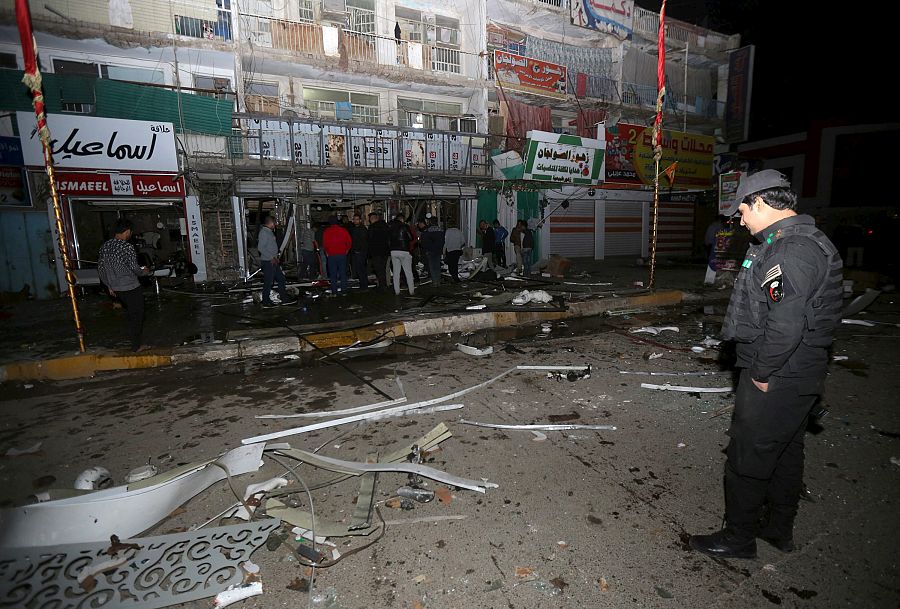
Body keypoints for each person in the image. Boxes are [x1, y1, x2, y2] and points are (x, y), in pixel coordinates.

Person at [689, 170, 843, 559]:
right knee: (786, 450)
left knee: (747, 457)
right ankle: (777, 528)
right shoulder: (789, 242)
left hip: (778, 375)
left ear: (759, 202)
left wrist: (761, 373)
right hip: (796, 374)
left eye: (742, 210)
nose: (740, 219)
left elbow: (786, 324)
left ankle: (738, 538)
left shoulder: (791, 251)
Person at [97, 218, 150, 352]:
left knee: (132, 314)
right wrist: (144, 271)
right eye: (130, 232)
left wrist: (109, 286)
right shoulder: (127, 247)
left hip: (116, 288)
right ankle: (136, 346)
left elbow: (101, 269)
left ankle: (134, 343)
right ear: (127, 231)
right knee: (137, 315)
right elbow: (135, 269)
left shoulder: (105, 246)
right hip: (130, 286)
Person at [257, 215, 296, 308]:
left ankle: (284, 298)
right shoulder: (264, 232)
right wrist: (271, 257)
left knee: (281, 279)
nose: (275, 225)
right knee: (268, 282)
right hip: (268, 262)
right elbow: (260, 248)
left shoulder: (269, 232)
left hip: (273, 261)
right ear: (270, 223)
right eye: (274, 223)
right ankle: (266, 301)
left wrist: (275, 257)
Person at [323, 216, 352, 296]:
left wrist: (327, 252)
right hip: (342, 254)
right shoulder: (343, 230)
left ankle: (334, 292)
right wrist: (347, 250)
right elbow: (349, 241)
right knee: (343, 273)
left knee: (333, 274)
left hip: (331, 255)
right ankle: (344, 291)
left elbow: (325, 244)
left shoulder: (327, 231)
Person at [388, 214, 415, 296]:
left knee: (396, 273)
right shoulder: (404, 226)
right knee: (408, 272)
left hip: (393, 251)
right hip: (404, 251)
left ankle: (397, 291)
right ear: (402, 219)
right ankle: (411, 291)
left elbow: (388, 240)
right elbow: (411, 238)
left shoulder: (390, 227)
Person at [367, 212, 391, 290]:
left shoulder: (372, 227)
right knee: (383, 269)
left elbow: (369, 240)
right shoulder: (385, 226)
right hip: (385, 251)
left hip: (376, 252)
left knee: (379, 269)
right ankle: (384, 284)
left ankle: (382, 285)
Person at [420, 217, 445, 286]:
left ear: (430, 222)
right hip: (438, 250)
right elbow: (443, 241)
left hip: (430, 251)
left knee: (432, 267)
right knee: (437, 266)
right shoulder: (441, 231)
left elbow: (424, 243)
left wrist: (425, 250)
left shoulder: (427, 231)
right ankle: (438, 281)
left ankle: (434, 282)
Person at [349, 213, 369, 289]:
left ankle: (364, 286)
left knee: (361, 269)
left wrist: (358, 250)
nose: (355, 221)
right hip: (357, 252)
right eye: (354, 219)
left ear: (360, 220)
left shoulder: (362, 229)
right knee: (360, 269)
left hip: (360, 252)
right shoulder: (354, 229)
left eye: (357, 219)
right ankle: (363, 285)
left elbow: (363, 241)